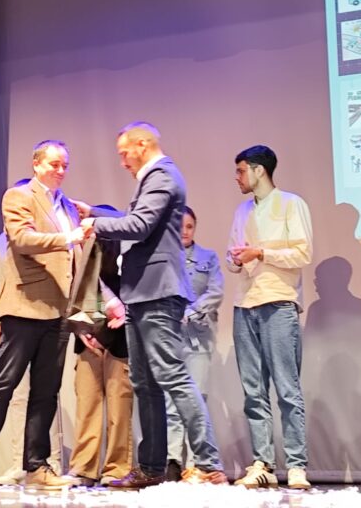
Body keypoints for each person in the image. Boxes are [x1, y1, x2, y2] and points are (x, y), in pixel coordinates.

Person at [0, 140, 118, 490]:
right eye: (54, 164)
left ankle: (37, 466)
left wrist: (96, 305)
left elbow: (77, 263)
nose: (60, 171)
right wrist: (67, 237)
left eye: (64, 165)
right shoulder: (18, 197)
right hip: (24, 306)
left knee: (46, 391)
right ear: (36, 164)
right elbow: (22, 239)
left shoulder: (67, 206)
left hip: (58, 312)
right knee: (3, 385)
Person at [80, 122, 226, 487]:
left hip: (158, 291)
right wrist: (93, 213)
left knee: (172, 375)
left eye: (124, 153)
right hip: (141, 292)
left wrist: (95, 224)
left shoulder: (162, 176)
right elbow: (139, 219)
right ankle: (151, 467)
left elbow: (141, 224)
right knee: (144, 382)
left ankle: (208, 464)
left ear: (142, 145)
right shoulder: (155, 178)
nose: (122, 161)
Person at [225, 145, 312, 490]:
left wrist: (260, 252)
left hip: (278, 301)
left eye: (241, 170)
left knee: (287, 388)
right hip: (244, 303)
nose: (237, 178)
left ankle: (296, 464)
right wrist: (237, 257)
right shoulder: (242, 210)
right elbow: (231, 257)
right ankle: (262, 462)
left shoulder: (291, 203)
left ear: (259, 170)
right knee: (253, 390)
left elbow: (303, 252)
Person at [0, 218, 63, 484]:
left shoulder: (46, 235)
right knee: (15, 393)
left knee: (45, 393)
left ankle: (47, 461)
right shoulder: (2, 241)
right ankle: (19, 461)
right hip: (14, 317)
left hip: (45, 315)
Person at [68, 225, 133, 487]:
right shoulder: (83, 267)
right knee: (87, 407)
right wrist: (82, 330)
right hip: (87, 342)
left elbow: (128, 304)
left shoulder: (127, 266)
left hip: (119, 342)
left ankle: (117, 469)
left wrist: (104, 333)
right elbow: (76, 299)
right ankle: (84, 468)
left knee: (119, 410)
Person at [164, 206, 223, 480]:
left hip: (199, 336)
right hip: (170, 336)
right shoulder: (163, 258)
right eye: (180, 226)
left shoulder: (208, 258)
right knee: (171, 401)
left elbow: (216, 291)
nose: (184, 231)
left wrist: (192, 310)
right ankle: (172, 460)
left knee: (197, 399)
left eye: (189, 226)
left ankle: (197, 463)